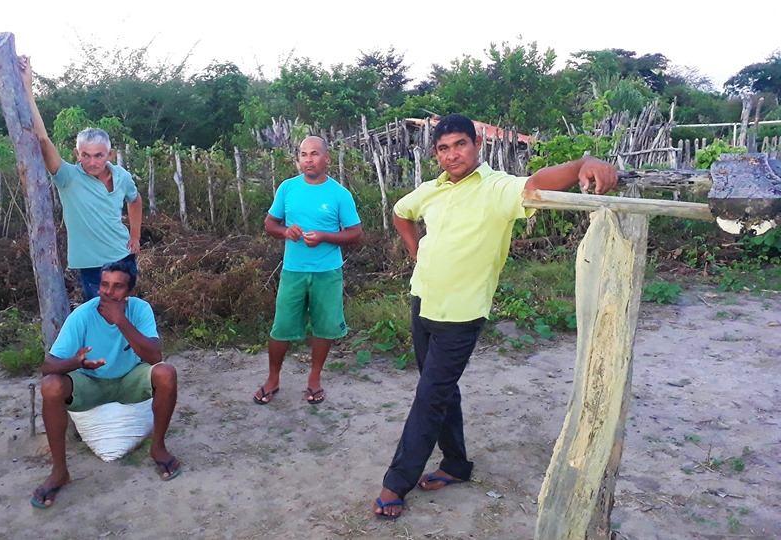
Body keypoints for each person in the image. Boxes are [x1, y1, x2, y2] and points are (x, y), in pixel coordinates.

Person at [372, 114, 619, 519]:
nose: (452, 154)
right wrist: (417, 251)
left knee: (430, 396)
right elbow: (401, 212)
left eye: (460, 145)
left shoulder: (497, 188)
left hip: (462, 313)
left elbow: (537, 183)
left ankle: (396, 483)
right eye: (444, 148)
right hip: (423, 302)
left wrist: (580, 166)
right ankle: (456, 464)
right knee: (441, 390)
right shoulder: (431, 190)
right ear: (436, 153)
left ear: (476, 145)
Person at [30, 259, 180, 509]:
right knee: (51, 386)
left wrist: (120, 320)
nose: (108, 292)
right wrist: (76, 362)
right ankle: (59, 471)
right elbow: (48, 367)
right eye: (104, 285)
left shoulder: (140, 309)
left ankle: (159, 449)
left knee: (166, 373)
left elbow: (155, 357)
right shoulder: (83, 315)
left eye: (118, 286)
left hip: (128, 380)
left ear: (130, 292)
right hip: (90, 383)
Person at [19, 55, 143, 301]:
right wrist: (27, 88)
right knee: (101, 315)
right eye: (85, 155)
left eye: (99, 156)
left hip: (124, 256)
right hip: (93, 265)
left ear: (110, 154)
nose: (92, 162)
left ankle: (126, 342)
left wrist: (136, 236)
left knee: (124, 311)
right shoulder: (68, 177)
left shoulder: (122, 176)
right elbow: (43, 140)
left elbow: (135, 200)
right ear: (77, 153)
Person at [253, 136, 363, 406]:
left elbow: (355, 233)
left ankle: (314, 379)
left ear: (326, 158)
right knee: (281, 327)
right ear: (298, 159)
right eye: (303, 154)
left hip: (327, 272)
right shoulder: (288, 188)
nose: (308, 160)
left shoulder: (339, 194)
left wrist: (325, 236)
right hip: (293, 271)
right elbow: (270, 225)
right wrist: (284, 231)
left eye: (314, 154)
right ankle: (273, 379)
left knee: (324, 328)